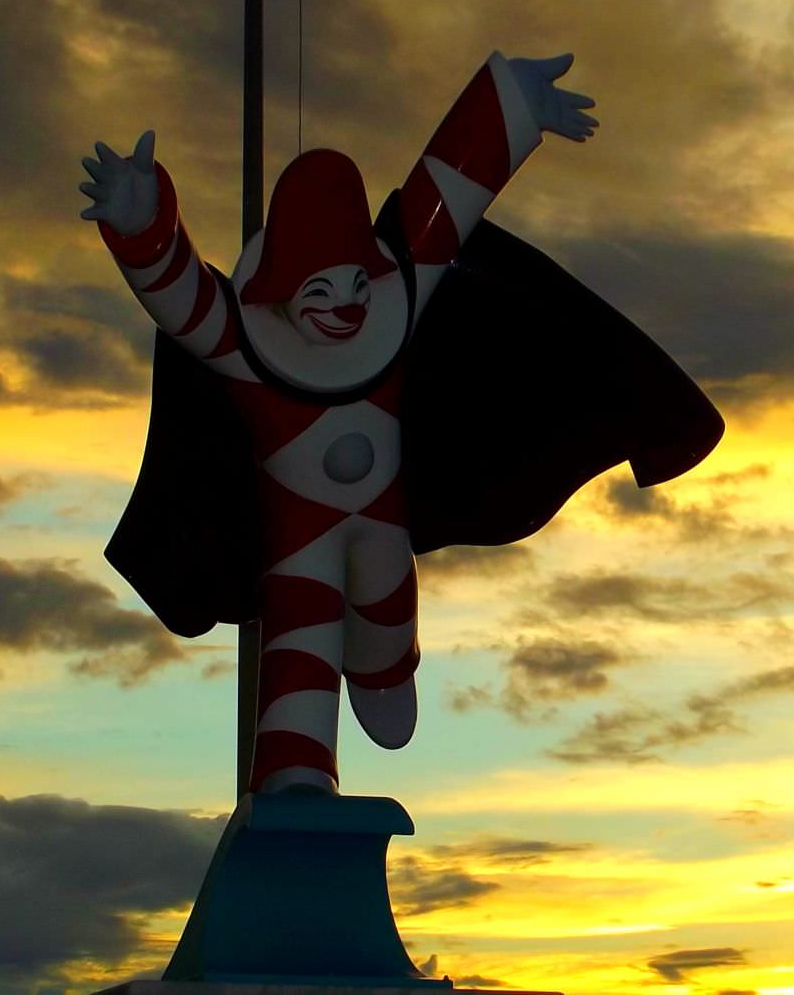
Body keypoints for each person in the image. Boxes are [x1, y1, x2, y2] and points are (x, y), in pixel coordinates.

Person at [80, 52, 597, 795]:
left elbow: (442, 203)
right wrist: (141, 221)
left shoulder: (396, 305)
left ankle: (386, 669)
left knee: (388, 599)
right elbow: (182, 292)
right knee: (301, 625)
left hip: (384, 518)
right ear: (289, 289)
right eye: (323, 289)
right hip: (300, 537)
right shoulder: (250, 347)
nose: (348, 303)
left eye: (356, 282)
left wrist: (510, 106)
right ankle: (296, 765)